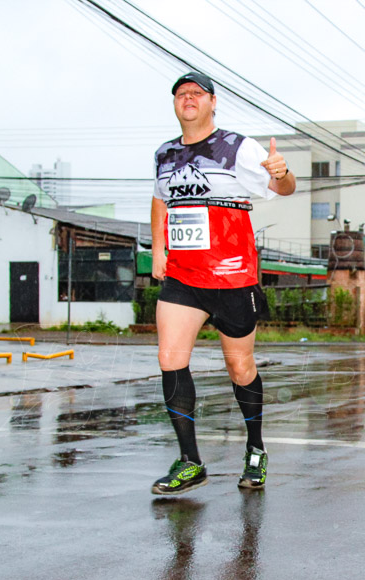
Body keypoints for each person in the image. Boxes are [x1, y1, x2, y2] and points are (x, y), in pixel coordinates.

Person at [150, 72, 296, 495]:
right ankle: (190, 461)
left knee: (240, 366)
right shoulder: (164, 154)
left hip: (232, 274)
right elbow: (160, 198)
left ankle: (255, 450)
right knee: (170, 357)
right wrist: (159, 248)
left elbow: (283, 188)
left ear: (213, 103)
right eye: (181, 93)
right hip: (183, 276)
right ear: (175, 104)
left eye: (197, 93)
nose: (188, 98)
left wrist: (283, 172)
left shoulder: (237, 148)